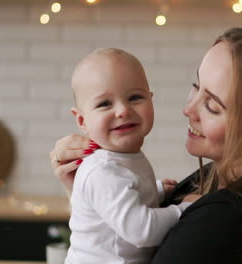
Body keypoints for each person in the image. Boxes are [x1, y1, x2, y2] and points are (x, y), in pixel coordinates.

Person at [50, 25, 242, 264]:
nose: (188, 110)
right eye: (196, 86)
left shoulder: (224, 220)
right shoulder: (210, 180)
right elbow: (116, 241)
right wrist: (85, 191)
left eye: (212, 105)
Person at [64, 48, 193, 264]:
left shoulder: (123, 159)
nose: (123, 110)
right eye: (105, 103)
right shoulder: (102, 171)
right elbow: (141, 230)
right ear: (82, 121)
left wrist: (156, 192)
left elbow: (124, 199)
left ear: (151, 100)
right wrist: (184, 210)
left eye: (135, 97)